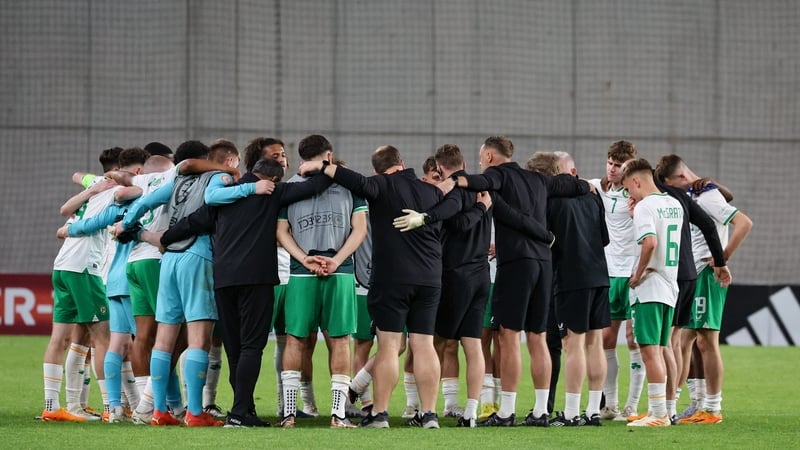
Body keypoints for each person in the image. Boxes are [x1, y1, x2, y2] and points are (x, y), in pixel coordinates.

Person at [434, 136, 589, 427]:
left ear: (490, 157)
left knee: (508, 336)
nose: (481, 162)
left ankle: (506, 411)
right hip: (544, 264)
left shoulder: (496, 175)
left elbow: (477, 183)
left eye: (482, 158)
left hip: (516, 263)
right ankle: (541, 411)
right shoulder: (538, 179)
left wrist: (454, 182)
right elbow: (568, 185)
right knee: (538, 337)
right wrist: (587, 186)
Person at [298, 145, 447, 429]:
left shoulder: (380, 185)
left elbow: (355, 181)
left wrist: (322, 166)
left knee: (389, 347)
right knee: (424, 344)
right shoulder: (431, 190)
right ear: (402, 164)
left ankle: (379, 414)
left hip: (393, 278)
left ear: (378, 169)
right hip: (430, 278)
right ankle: (429, 415)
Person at [116, 139, 242, 427]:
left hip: (169, 258)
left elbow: (144, 202)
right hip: (197, 256)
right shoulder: (217, 177)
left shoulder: (176, 183)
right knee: (199, 337)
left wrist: (128, 225)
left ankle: (159, 411)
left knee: (164, 338)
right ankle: (195, 413)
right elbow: (215, 202)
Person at [276, 135, 367, 429]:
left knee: (295, 339)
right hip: (339, 271)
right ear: (328, 153)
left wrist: (304, 259)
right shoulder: (351, 186)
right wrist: (338, 260)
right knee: (339, 341)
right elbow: (360, 229)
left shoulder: (287, 187)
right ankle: (338, 415)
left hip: (302, 272)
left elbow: (281, 231)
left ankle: (289, 414)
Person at [655, 155, 752, 424]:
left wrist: (723, 258)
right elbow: (725, 196)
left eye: (671, 185)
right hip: (695, 274)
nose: (671, 191)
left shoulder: (707, 196)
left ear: (682, 178)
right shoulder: (700, 192)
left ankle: (712, 408)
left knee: (706, 342)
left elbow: (744, 223)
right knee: (688, 341)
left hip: (707, 274)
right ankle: (693, 403)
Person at [59, 147, 151, 422]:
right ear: (136, 171)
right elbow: (123, 193)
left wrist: (92, 181)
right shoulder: (122, 191)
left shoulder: (97, 183)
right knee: (124, 341)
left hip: (100, 273)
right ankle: (132, 407)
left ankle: (114, 407)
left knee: (104, 341)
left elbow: (76, 177)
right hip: (100, 269)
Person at [527, 152, 609, 427]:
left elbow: (545, 242)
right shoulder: (593, 195)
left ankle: (572, 413)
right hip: (599, 274)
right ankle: (593, 410)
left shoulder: (549, 201)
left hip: (570, 278)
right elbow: (605, 238)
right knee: (595, 343)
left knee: (572, 344)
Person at [41, 148, 120, 422]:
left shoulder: (95, 183)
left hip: (61, 267)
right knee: (103, 338)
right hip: (85, 268)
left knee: (63, 338)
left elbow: (75, 181)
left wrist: (87, 184)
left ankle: (54, 406)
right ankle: (112, 409)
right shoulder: (114, 190)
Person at [431, 144, 493, 427]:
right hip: (482, 275)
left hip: (456, 276)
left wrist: (479, 209)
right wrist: (482, 207)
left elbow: (457, 225)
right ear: (463, 162)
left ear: (440, 168)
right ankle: (470, 412)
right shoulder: (482, 190)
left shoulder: (453, 192)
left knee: (434, 343)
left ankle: (425, 409)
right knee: (473, 345)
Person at [621, 158, 684, 427]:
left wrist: (637, 274)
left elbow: (650, 242)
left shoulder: (646, 205)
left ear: (636, 181)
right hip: (670, 285)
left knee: (649, 351)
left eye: (628, 189)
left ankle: (658, 414)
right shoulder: (674, 203)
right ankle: (662, 410)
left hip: (650, 287)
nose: (629, 195)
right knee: (659, 348)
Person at [588, 140, 644, 421]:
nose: (612, 169)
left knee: (635, 340)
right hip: (608, 273)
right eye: (609, 162)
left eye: (618, 165)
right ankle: (610, 404)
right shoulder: (596, 187)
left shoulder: (639, 194)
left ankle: (632, 405)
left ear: (628, 167)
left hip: (634, 273)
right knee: (607, 338)